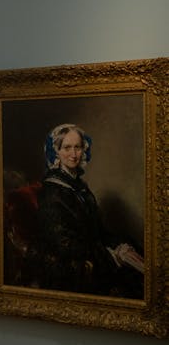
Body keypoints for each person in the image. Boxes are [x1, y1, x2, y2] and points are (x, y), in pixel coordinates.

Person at [35, 123, 143, 298]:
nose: (73, 154)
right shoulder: (51, 192)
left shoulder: (80, 187)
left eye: (77, 147)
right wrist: (110, 254)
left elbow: (97, 231)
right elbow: (63, 244)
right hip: (69, 262)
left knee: (133, 250)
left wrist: (120, 246)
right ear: (56, 152)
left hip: (91, 251)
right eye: (67, 148)